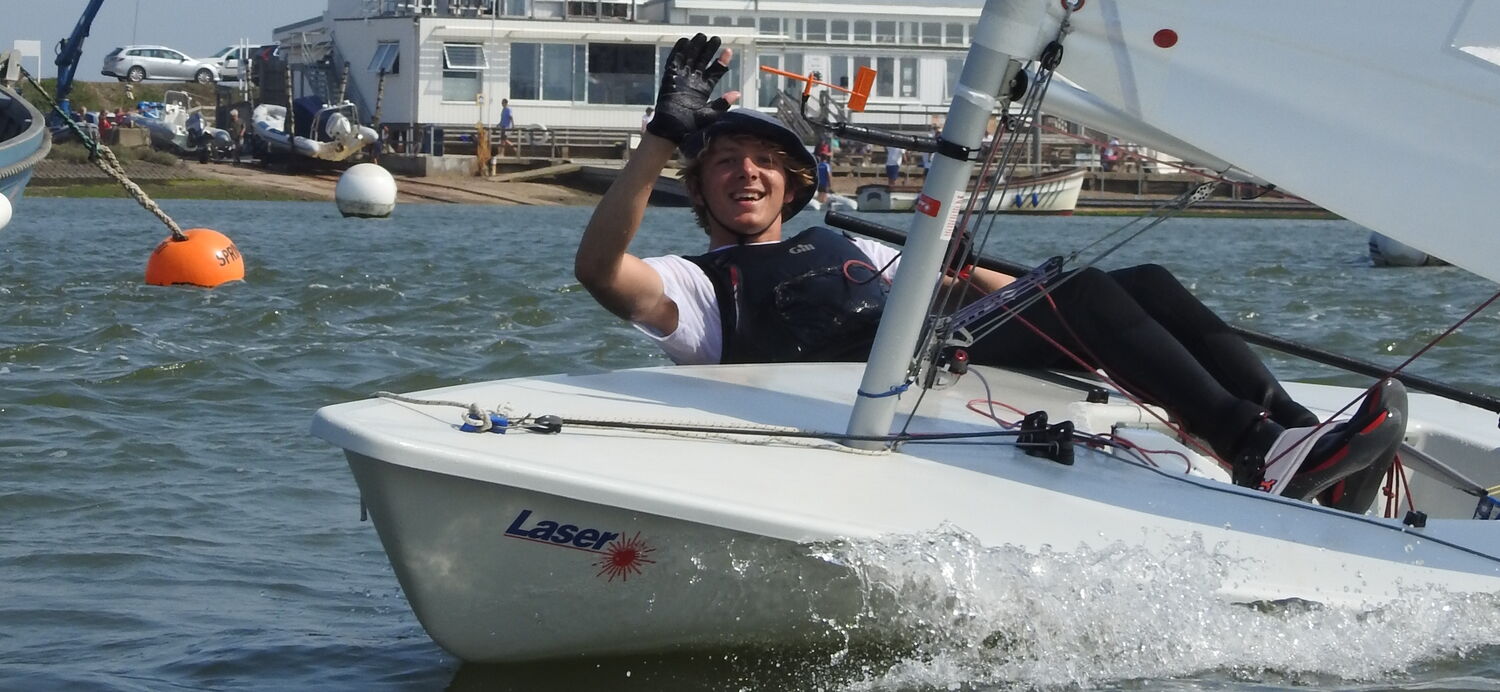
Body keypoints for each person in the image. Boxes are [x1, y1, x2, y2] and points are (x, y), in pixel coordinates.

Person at [575, 33, 1405, 505]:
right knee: (1081, 291)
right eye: (725, 163)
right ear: (701, 186)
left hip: (945, 369)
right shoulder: (694, 285)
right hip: (857, 407)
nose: (745, 174)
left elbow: (998, 300)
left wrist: (1020, 294)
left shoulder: (851, 245)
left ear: (794, 184)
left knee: (1136, 280)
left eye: (764, 162)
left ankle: (1299, 443)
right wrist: (661, 136)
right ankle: (1258, 450)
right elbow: (599, 270)